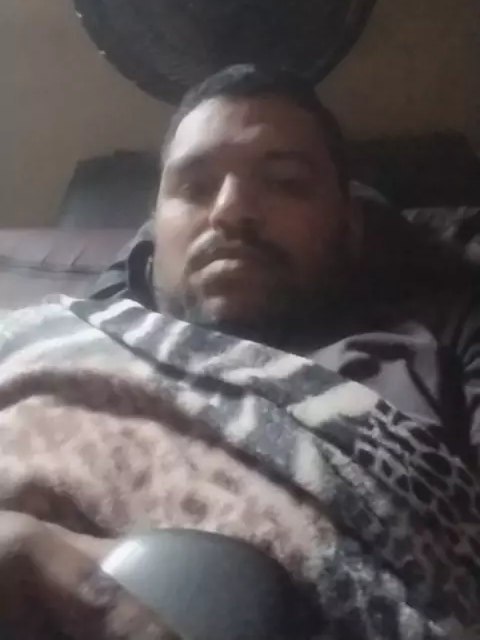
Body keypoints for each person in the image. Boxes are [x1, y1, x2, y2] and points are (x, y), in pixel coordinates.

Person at [0, 64, 479, 639]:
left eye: (285, 182)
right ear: (153, 234)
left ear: (350, 225)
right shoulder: (44, 339)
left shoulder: (422, 359)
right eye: (194, 187)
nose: (230, 210)